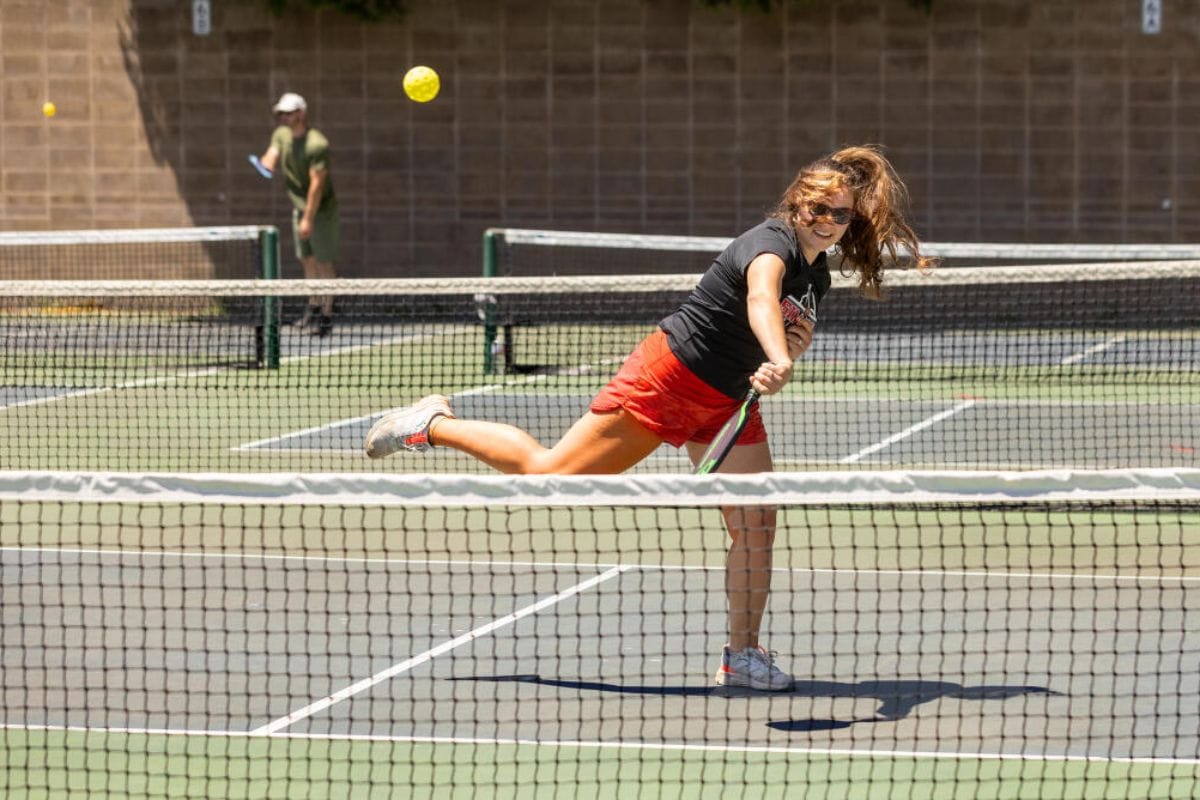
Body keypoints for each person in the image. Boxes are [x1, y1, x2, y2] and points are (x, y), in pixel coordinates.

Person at [364, 145, 934, 691]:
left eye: (840, 213)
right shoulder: (770, 246)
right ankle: (431, 423)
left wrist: (787, 352)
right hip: (669, 378)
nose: (828, 221)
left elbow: (774, 330)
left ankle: (742, 656)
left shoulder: (817, 276)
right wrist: (782, 357)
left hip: (728, 402)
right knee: (547, 479)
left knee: (757, 524)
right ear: (796, 204)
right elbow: (761, 299)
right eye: (818, 209)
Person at [253, 92, 340, 336]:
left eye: (290, 113)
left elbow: (316, 186)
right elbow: (272, 155)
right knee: (307, 261)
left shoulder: (317, 144)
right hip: (299, 208)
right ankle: (312, 309)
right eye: (282, 113)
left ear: (302, 114)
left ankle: (326, 316)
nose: (285, 117)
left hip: (322, 210)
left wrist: (308, 219)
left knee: (324, 263)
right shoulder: (281, 134)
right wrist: (265, 164)